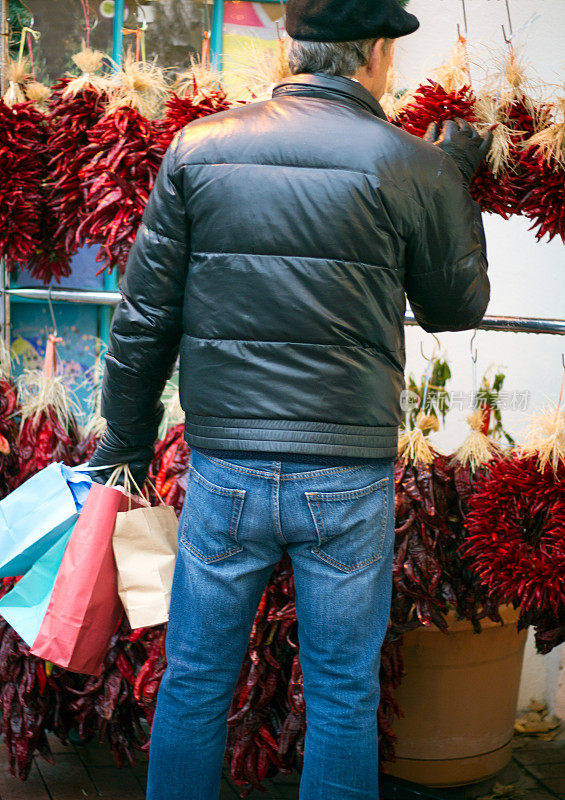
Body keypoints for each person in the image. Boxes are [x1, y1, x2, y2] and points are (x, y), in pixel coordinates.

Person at [89, 0, 491, 797]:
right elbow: (455, 308)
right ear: (376, 51)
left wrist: (125, 443)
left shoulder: (197, 150)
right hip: (346, 473)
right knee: (342, 696)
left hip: (227, 469)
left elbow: (143, 320)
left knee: (197, 680)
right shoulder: (410, 162)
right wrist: (454, 180)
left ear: (289, 46)